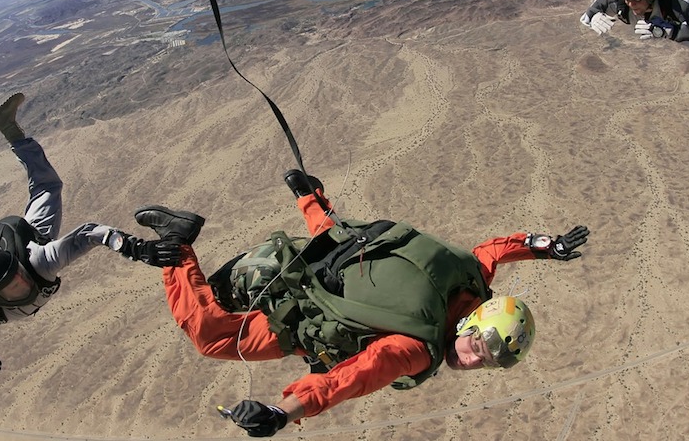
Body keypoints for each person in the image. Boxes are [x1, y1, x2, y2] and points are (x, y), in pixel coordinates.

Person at [130, 169, 589, 437]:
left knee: (338, 245)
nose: (471, 361)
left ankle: (310, 196)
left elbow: (493, 251)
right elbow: (350, 378)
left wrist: (545, 246)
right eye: (479, 347)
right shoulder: (416, 349)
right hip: (307, 304)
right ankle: (177, 244)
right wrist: (282, 413)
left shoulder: (470, 282)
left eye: (486, 362)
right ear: (472, 325)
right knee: (211, 338)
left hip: (341, 255)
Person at [0, 92, 174, 376]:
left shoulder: (37, 261)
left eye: (17, 276)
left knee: (46, 187)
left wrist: (136, 248)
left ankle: (9, 128)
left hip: (24, 239)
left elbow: (90, 233)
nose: (21, 282)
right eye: (13, 286)